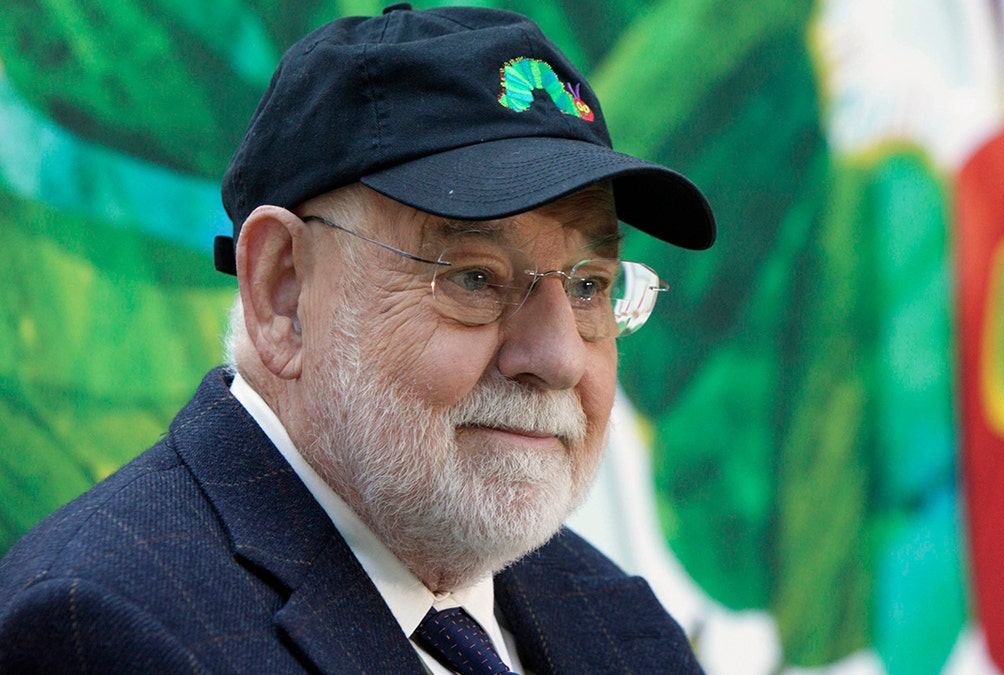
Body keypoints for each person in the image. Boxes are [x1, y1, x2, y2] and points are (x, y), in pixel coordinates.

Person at [0, 4, 716, 673]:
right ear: (283, 291)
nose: (559, 357)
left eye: (590, 285)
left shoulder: (623, 622)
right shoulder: (99, 630)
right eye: (474, 277)